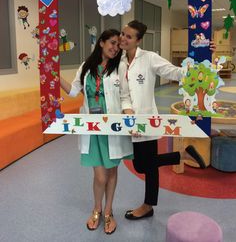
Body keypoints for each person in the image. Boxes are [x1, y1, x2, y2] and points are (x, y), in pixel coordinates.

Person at [119, 20, 216, 220]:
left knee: (148, 166)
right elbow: (123, 92)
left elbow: (176, 72)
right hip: (130, 121)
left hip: (148, 120)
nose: (123, 38)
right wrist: (128, 113)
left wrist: (205, 56)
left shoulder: (149, 58)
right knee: (141, 165)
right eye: (123, 34)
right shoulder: (119, 61)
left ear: (138, 41)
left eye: (129, 36)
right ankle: (181, 155)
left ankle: (148, 206)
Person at [60, 29, 133, 234]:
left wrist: (130, 117)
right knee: (100, 176)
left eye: (118, 44)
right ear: (101, 43)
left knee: (111, 172)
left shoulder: (120, 67)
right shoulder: (86, 67)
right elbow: (74, 91)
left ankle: (108, 212)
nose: (115, 47)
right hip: (92, 128)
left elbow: (125, 96)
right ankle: (96, 209)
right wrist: (53, 76)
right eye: (111, 42)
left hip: (113, 127)